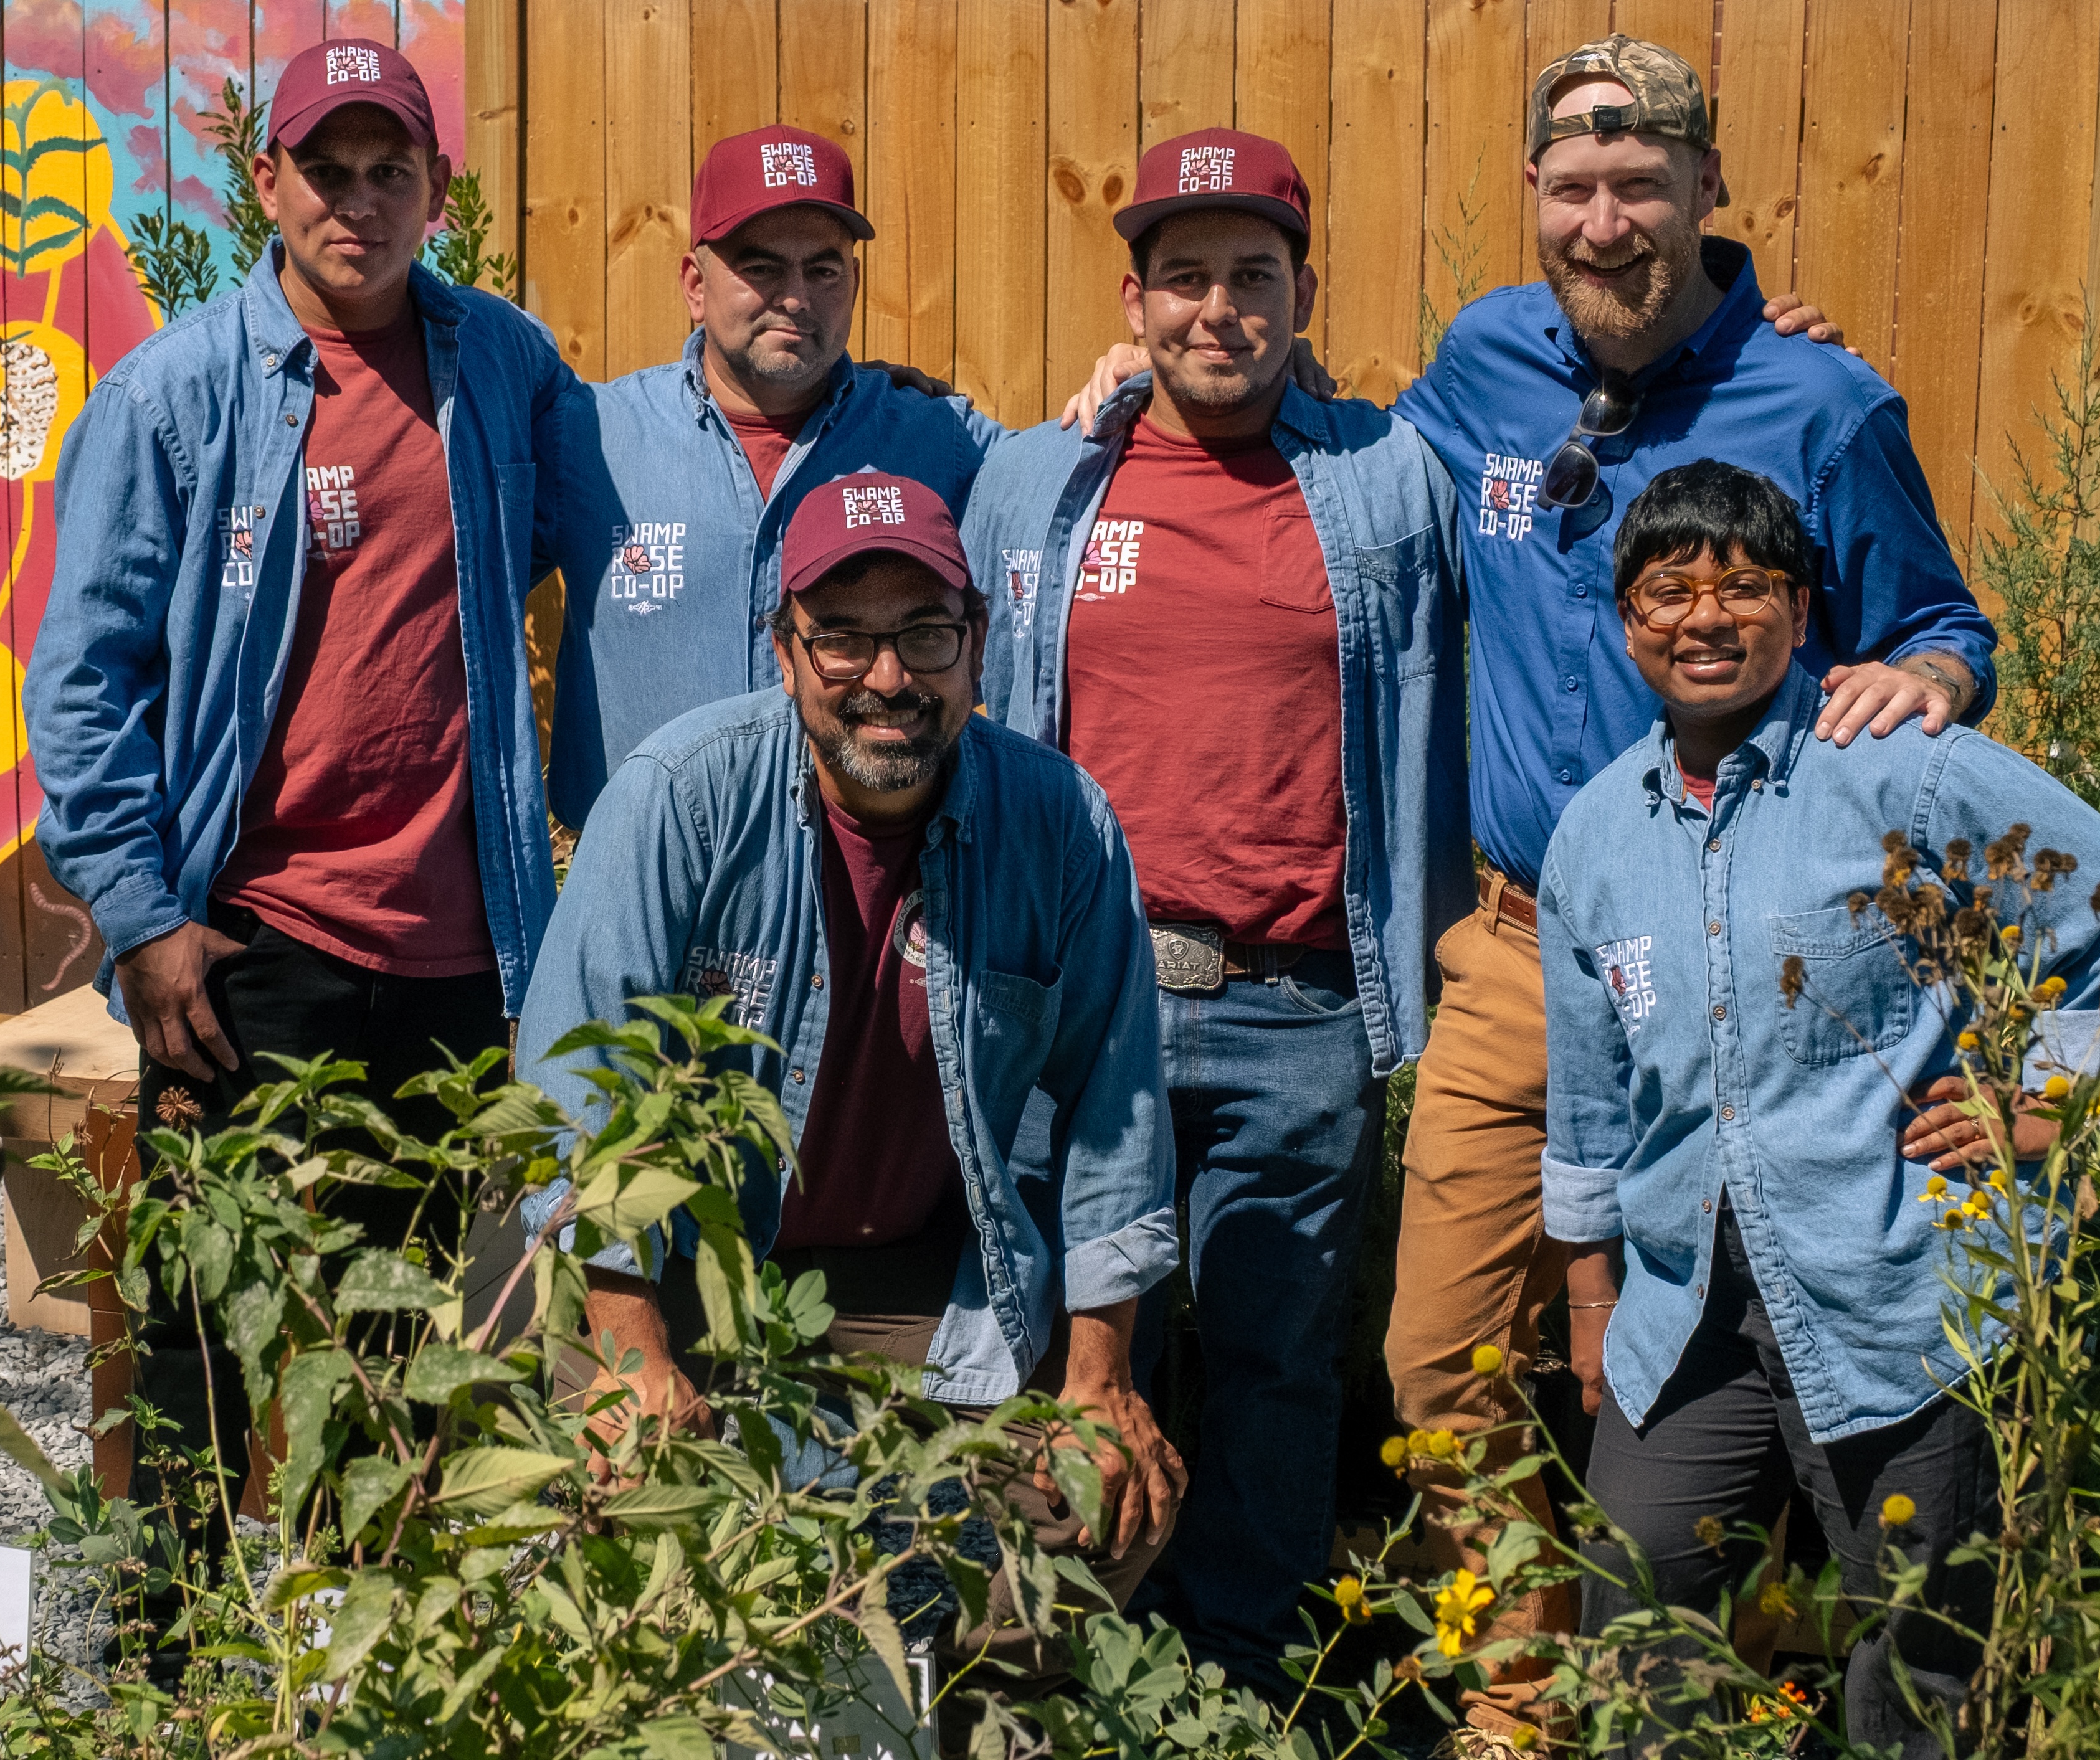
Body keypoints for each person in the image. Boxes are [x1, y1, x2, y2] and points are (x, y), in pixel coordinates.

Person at [1378, 36, 2001, 1739]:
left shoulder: (1824, 402)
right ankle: (1530, 1698)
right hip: (1524, 951)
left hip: (1786, 962)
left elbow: (1939, 621)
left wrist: (1933, 684)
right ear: (1532, 203)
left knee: (1773, 1350)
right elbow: (1335, 451)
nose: (1605, 222)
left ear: (1708, 192)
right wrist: (1124, 382)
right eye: (1573, 190)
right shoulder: (1486, 361)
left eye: (1640, 184)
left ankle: (1748, 1674)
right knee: (1444, 1359)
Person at [26, 37, 587, 1484]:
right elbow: (84, 679)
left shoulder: (508, 369)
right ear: (265, 181)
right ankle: (176, 1665)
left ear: (436, 188)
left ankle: (350, 1667)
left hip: (463, 952)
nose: (357, 203)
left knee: (398, 1329)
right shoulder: (175, 399)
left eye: (387, 171)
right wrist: (144, 918)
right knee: (201, 1319)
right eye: (323, 171)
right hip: (254, 949)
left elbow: (654, 495)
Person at [1540, 461, 2100, 1755]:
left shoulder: (1891, 771)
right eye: (1667, 591)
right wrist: (1589, 1298)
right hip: (1683, 1314)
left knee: (1918, 1660)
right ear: (1623, 620)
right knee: (1636, 1623)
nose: (1703, 619)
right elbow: (1588, 1095)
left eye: (1742, 588)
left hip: (1897, 1290)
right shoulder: (1593, 837)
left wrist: (2052, 1096)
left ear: (1800, 605)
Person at [518, 471, 1184, 1688]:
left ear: (975, 644)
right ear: (784, 653)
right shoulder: (678, 799)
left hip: (931, 1282)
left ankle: (981, 1722)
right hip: (686, 1276)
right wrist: (628, 1353)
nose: (887, 678)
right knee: (650, 1539)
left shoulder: (1060, 823)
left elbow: (1117, 1114)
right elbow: (577, 1093)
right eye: (842, 638)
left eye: (923, 635)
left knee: (1089, 1512)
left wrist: (1098, 1378)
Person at [954, 128, 1463, 1683]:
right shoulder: (1039, 477)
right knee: (1049, 1337)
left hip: (1293, 1003)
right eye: (1184, 279)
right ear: (1134, 295)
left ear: (1306, 292)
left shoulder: (1386, 477)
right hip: (1073, 1002)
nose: (1217, 310)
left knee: (1273, 1362)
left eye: (1254, 276)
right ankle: (1038, 1665)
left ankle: (1238, 1676)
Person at [543, 126, 1013, 831]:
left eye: (823, 270)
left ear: (853, 282)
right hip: (638, 882)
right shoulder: (590, 437)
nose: (795, 297)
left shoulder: (933, 439)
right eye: (761, 268)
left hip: (862, 879)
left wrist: (1144, 385)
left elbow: (1069, 483)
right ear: (695, 286)